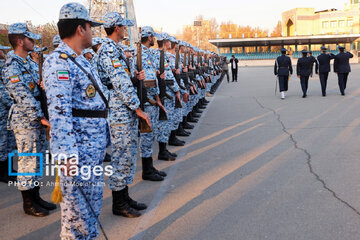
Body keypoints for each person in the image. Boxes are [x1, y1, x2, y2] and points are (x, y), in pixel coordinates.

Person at [43, 2, 110, 238]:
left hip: (92, 149)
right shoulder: (59, 62)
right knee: (76, 218)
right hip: (78, 154)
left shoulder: (80, 59)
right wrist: (66, 156)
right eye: (91, 27)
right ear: (81, 29)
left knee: (89, 213)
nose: (94, 32)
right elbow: (60, 114)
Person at [96, 11, 150, 218]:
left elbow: (123, 80)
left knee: (127, 155)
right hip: (119, 112)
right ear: (117, 28)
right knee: (121, 156)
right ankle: (118, 203)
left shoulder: (114, 49)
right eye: (124, 26)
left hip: (123, 110)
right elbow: (118, 84)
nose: (126, 29)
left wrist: (135, 78)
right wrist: (138, 108)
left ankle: (125, 197)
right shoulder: (109, 50)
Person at [2, 23, 56, 217]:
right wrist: (40, 116)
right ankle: (28, 203)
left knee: (37, 160)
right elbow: (22, 95)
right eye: (29, 38)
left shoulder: (30, 63)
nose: (32, 41)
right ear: (19, 41)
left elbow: (37, 86)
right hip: (26, 120)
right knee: (27, 161)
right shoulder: (11, 66)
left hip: (37, 118)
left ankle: (36, 196)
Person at [135, 26, 167, 181]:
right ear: (148, 37)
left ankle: (150, 167)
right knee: (147, 137)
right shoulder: (139, 53)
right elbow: (147, 81)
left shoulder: (146, 53)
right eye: (152, 37)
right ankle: (147, 171)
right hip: (146, 101)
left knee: (151, 135)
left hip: (153, 100)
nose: (154, 39)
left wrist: (158, 98)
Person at [0, 44, 17, 183]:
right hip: (3, 111)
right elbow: (2, 92)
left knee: (10, 142)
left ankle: (9, 170)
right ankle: (3, 173)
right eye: (1, 49)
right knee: (2, 143)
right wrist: (13, 103)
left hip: (7, 112)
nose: (4, 52)